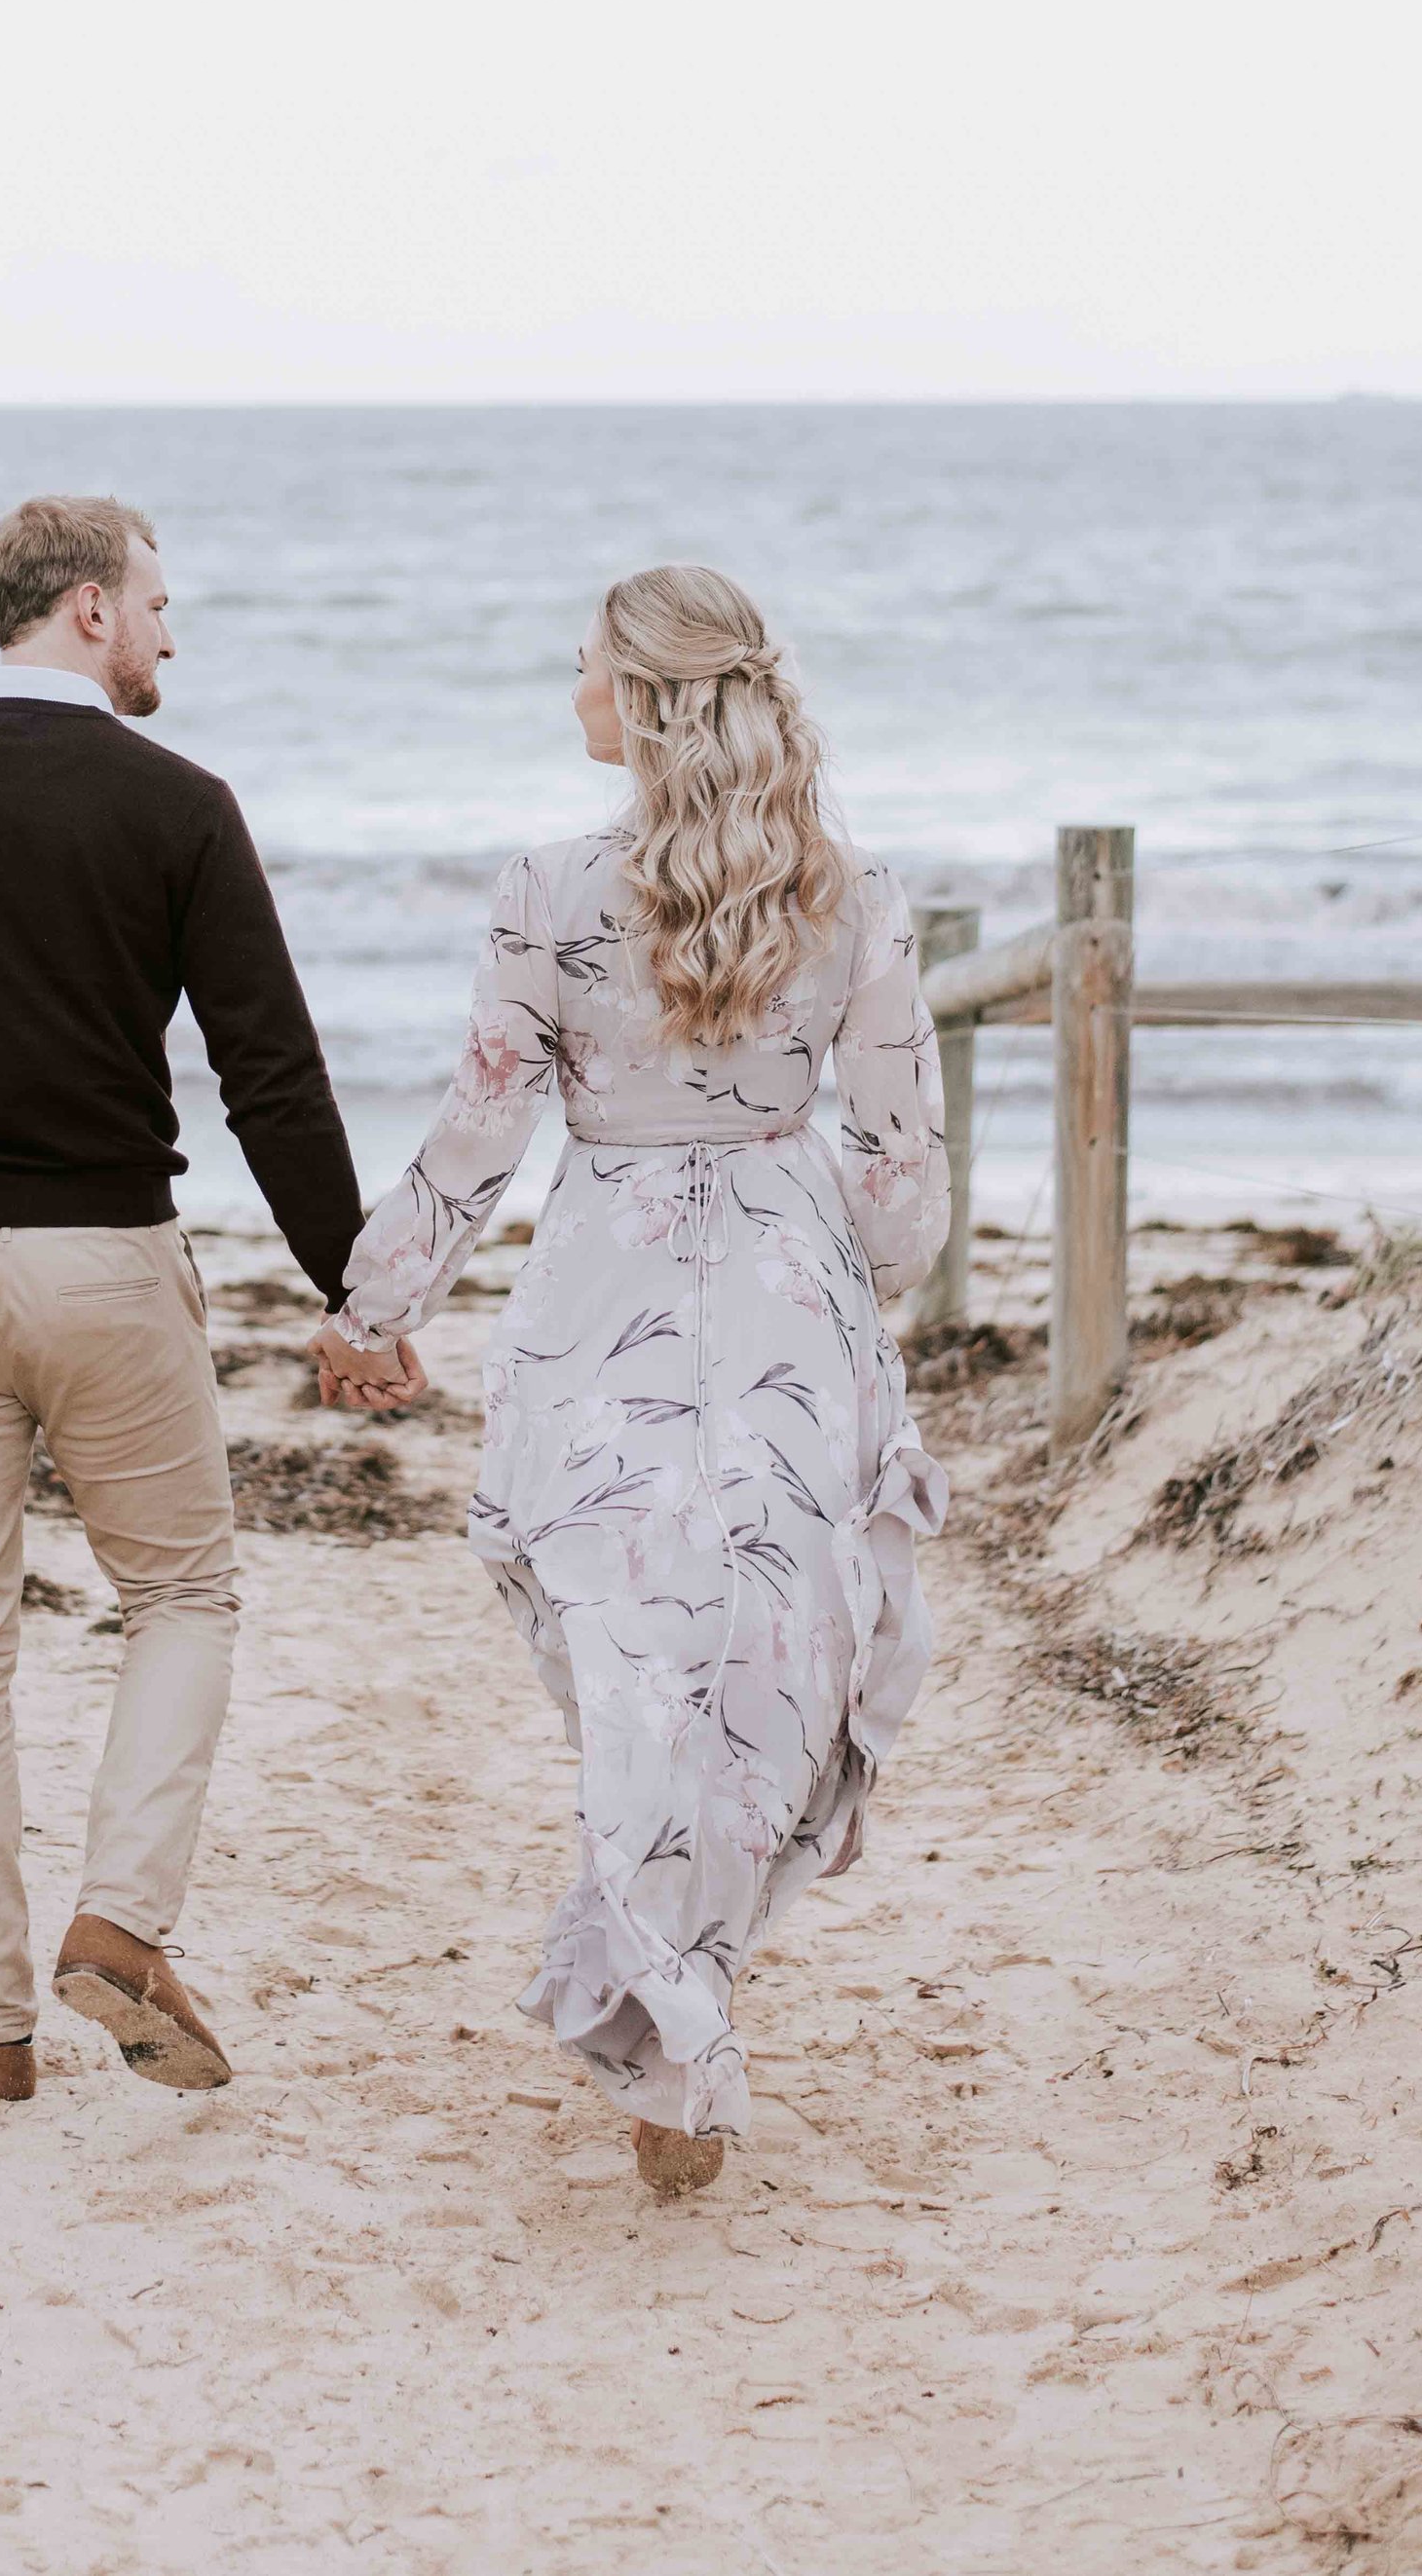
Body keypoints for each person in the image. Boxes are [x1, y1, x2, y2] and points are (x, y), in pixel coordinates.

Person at [0, 492, 419, 2111]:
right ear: (83, 610)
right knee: (182, 1596)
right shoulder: (179, 805)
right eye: (156, 601)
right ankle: (121, 1926)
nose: (169, 632)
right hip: (106, 1261)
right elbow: (272, 1069)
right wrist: (358, 1282)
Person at [311, 565, 948, 2200]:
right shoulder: (852, 890)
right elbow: (903, 1173)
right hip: (788, 1294)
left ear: (649, 699)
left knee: (632, 1651)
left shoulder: (549, 888)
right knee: (768, 1657)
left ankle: (674, 2011)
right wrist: (858, 1274)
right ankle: (686, 2000)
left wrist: (379, 1300)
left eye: (586, 667)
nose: (571, 692)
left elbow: (481, 1129)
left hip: (599, 1302)